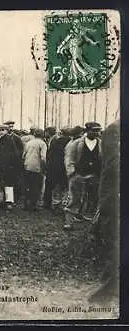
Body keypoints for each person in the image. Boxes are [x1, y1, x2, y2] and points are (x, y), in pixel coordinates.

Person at [88, 119, 119, 303]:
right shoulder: (115, 130)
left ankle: (111, 285)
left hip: (115, 196)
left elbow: (114, 167)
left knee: (114, 240)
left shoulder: (115, 129)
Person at [64, 122, 102, 223]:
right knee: (75, 199)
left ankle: (81, 215)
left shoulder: (100, 143)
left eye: (98, 131)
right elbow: (69, 158)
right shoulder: (77, 143)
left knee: (91, 197)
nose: (96, 133)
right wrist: (71, 172)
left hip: (94, 175)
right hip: (79, 174)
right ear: (87, 131)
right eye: (94, 130)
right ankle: (68, 221)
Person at [0, 124, 22, 210]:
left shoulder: (9, 140)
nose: (0, 132)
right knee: (1, 183)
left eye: (2, 130)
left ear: (6, 131)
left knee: (8, 184)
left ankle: (9, 202)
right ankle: (1, 201)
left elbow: (13, 153)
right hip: (0, 164)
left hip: (9, 165)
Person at [43, 127, 71, 210]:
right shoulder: (70, 142)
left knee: (54, 186)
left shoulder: (56, 141)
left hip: (54, 167)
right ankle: (63, 204)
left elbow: (50, 154)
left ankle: (54, 204)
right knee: (64, 186)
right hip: (64, 167)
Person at [22, 128, 47, 211]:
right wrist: (44, 168)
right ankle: (33, 206)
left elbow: (23, 155)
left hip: (27, 166)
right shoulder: (42, 144)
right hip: (37, 167)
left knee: (27, 186)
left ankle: (26, 204)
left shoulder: (28, 143)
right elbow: (43, 158)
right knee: (36, 187)